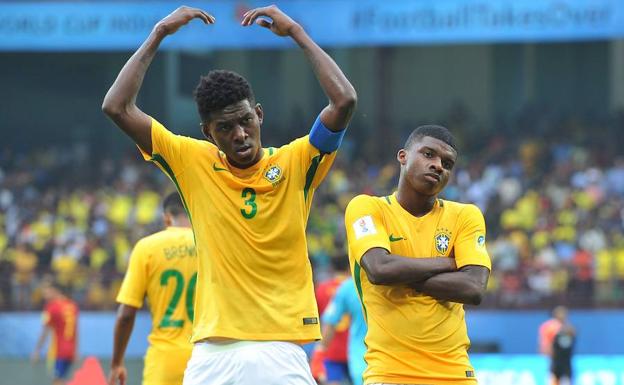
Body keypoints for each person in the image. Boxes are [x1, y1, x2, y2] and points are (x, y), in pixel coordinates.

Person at [102, 5, 356, 385]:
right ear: (208, 133)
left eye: (244, 121)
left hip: (280, 348)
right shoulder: (191, 160)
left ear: (259, 114)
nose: (239, 134)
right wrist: (157, 35)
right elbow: (116, 106)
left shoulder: (298, 161)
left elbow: (345, 101)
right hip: (213, 351)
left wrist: (298, 34)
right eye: (225, 128)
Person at [344, 125, 491, 384]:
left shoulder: (465, 216)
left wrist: (398, 272)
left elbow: (473, 288)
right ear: (403, 156)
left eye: (447, 163)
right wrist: (447, 263)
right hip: (390, 372)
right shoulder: (366, 208)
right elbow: (379, 269)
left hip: (455, 373)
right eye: (428, 155)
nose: (438, 166)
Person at [108, 192, 196, 385]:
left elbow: (126, 315)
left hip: (165, 359)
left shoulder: (147, 247)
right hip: (208, 358)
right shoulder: (212, 245)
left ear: (166, 218)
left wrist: (117, 362)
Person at [317, 278, 367, 385]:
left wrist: (318, 355)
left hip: (357, 357)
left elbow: (329, 321)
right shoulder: (398, 281)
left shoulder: (347, 287)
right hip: (399, 360)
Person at [31, 280, 79, 385]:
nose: (44, 295)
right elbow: (76, 331)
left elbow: (45, 331)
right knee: (61, 379)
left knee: (57, 381)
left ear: (55, 291)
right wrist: (76, 351)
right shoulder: (72, 305)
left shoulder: (51, 307)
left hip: (58, 351)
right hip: (70, 351)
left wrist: (37, 350)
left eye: (46, 292)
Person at [312, 257, 351, 385]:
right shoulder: (355, 288)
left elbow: (316, 317)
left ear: (332, 268)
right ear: (349, 267)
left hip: (331, 350)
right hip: (355, 350)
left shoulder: (322, 289)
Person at [539, 306, 575, 385]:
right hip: (555, 360)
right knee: (554, 378)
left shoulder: (568, 328)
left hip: (565, 360)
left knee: (566, 379)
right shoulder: (550, 327)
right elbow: (545, 343)